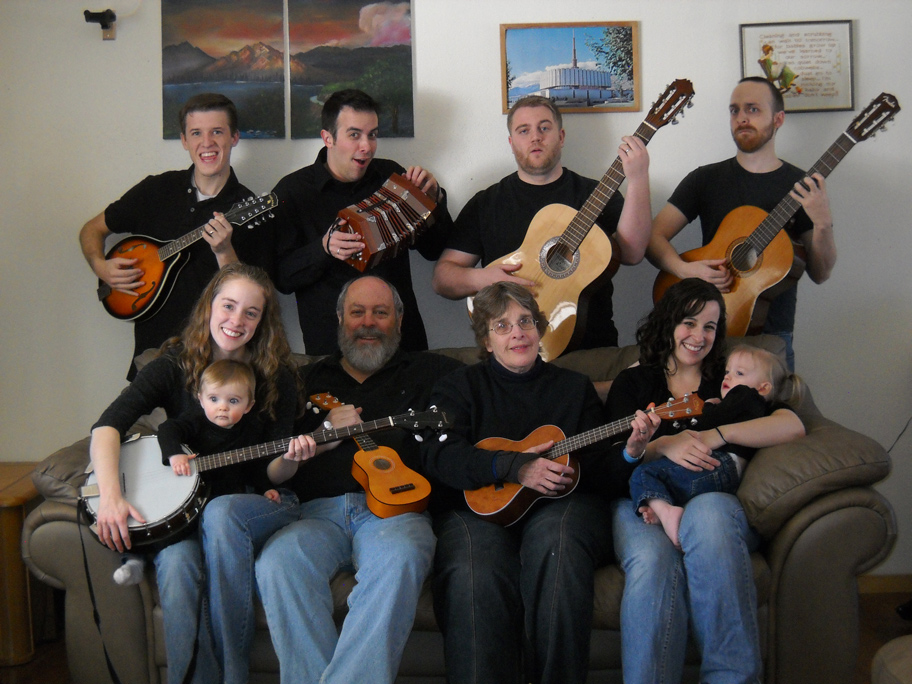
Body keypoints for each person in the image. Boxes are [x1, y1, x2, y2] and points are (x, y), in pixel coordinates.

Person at [202, 275, 463, 684]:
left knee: (402, 558)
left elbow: (494, 393)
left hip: (395, 514)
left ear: (399, 318)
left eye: (381, 312)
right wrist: (315, 437)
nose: (368, 322)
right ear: (341, 318)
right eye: (357, 312)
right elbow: (263, 457)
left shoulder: (435, 372)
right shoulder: (301, 379)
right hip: (314, 514)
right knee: (277, 564)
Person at [88, 263, 298, 684]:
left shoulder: (278, 377)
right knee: (177, 565)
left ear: (263, 322)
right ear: (209, 306)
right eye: (229, 305)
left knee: (222, 517)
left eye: (251, 313)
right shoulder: (173, 365)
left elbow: (275, 473)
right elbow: (107, 427)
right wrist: (111, 497)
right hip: (184, 516)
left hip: (248, 502)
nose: (236, 321)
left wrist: (296, 456)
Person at [421, 282, 636, 684]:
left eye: (525, 321)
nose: (517, 332)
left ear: (539, 329)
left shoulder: (573, 388)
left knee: (557, 543)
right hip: (476, 510)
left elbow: (604, 475)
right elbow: (439, 455)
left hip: (561, 507)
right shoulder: (458, 387)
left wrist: (632, 450)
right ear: (486, 340)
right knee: (475, 568)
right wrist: (513, 467)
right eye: (502, 326)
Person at [606, 277, 806, 683]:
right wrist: (664, 445)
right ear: (669, 322)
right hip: (643, 496)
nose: (699, 336)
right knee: (653, 558)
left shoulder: (731, 377)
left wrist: (717, 434)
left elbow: (791, 423)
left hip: (712, 494)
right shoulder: (635, 382)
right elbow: (612, 463)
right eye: (689, 322)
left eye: (711, 326)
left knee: (711, 517)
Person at [432, 94, 653, 351]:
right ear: (512, 142)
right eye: (524, 131)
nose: (535, 137)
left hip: (593, 349)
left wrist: (637, 178)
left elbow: (632, 253)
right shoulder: (487, 203)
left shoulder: (597, 194)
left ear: (561, 137)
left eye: (544, 128)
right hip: (510, 356)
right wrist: (483, 279)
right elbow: (442, 279)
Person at [647, 76, 837, 369]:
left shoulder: (801, 187)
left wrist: (823, 224)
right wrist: (685, 269)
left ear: (779, 119)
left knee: (769, 414)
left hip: (772, 336)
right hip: (702, 334)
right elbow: (653, 237)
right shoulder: (705, 179)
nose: (742, 118)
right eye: (734, 110)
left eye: (753, 109)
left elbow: (821, 273)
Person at [80, 92, 274, 380]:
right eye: (196, 133)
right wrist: (100, 266)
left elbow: (257, 299)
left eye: (217, 132)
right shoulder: (156, 191)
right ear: (184, 140)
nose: (206, 143)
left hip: (218, 370)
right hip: (151, 360)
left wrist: (224, 252)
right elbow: (91, 230)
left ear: (234, 138)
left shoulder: (250, 210)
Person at [271, 88, 453, 355]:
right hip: (332, 353)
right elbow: (282, 278)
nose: (366, 146)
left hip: (401, 348)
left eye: (373, 134)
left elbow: (434, 250)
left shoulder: (392, 175)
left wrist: (433, 199)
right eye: (354, 134)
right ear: (327, 138)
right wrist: (324, 249)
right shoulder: (292, 192)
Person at [630, 343, 801, 547]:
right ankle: (663, 509)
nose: (727, 377)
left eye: (739, 373)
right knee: (658, 476)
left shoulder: (745, 395)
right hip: (723, 468)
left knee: (642, 474)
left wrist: (707, 409)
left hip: (720, 463)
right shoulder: (751, 404)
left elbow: (710, 423)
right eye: (727, 371)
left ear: (763, 388)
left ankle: (666, 511)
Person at [113, 358, 260, 587]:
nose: (222, 407)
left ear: (248, 405)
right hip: (182, 491)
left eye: (233, 401)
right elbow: (168, 428)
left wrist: (266, 489)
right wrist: (174, 454)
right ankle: (134, 560)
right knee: (165, 527)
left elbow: (254, 470)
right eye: (214, 399)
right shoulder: (195, 421)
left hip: (218, 504)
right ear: (200, 400)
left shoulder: (250, 433)